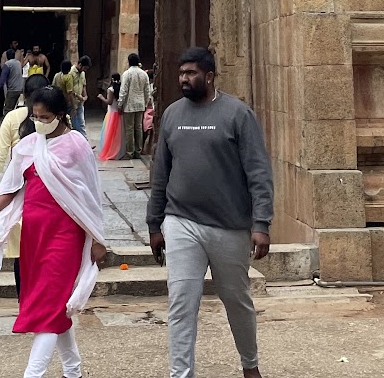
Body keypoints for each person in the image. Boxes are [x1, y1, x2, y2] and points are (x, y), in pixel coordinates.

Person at [147, 47, 273, 378]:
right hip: (181, 222)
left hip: (229, 226)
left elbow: (258, 172)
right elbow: (160, 173)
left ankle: (250, 364)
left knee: (237, 301)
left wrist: (261, 223)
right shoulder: (172, 114)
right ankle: (181, 374)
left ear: (209, 76)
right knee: (181, 303)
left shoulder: (237, 114)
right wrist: (154, 224)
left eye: (190, 73)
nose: (183, 79)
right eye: (181, 73)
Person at [0, 84, 107, 378]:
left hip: (66, 235)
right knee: (54, 305)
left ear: (61, 116)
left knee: (48, 307)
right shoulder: (27, 146)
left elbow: (91, 194)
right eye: (35, 116)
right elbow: (10, 187)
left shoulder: (76, 145)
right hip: (34, 237)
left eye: (45, 116)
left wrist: (98, 239)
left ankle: (33, 374)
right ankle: (73, 370)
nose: (39, 122)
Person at [0, 73, 50, 295]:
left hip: (18, 194)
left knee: (20, 252)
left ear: (24, 94)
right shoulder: (54, 122)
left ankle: (25, 298)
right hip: (44, 195)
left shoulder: (14, 118)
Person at [118, 52, 151, 160]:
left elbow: (123, 90)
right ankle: (138, 151)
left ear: (129, 62)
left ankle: (129, 152)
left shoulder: (127, 74)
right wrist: (146, 103)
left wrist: (120, 104)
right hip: (140, 104)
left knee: (129, 129)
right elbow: (147, 91)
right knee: (138, 128)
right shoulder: (144, 74)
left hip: (129, 104)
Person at [96, 72, 123, 161]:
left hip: (111, 114)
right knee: (118, 135)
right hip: (118, 114)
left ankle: (111, 150)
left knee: (109, 135)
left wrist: (101, 97)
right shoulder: (121, 89)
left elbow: (109, 102)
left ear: (111, 79)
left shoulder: (111, 89)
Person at [0, 48, 25, 114]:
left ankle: (8, 123)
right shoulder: (18, 63)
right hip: (20, 88)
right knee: (17, 107)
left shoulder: (7, 64)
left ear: (7, 56)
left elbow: (2, 78)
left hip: (12, 89)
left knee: (7, 109)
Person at [69, 56, 91, 137]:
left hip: (80, 102)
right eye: (84, 68)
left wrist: (85, 95)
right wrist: (78, 96)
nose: (85, 70)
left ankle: (85, 142)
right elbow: (70, 89)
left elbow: (83, 85)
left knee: (81, 123)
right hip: (72, 102)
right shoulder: (71, 72)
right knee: (74, 124)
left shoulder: (83, 73)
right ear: (80, 65)